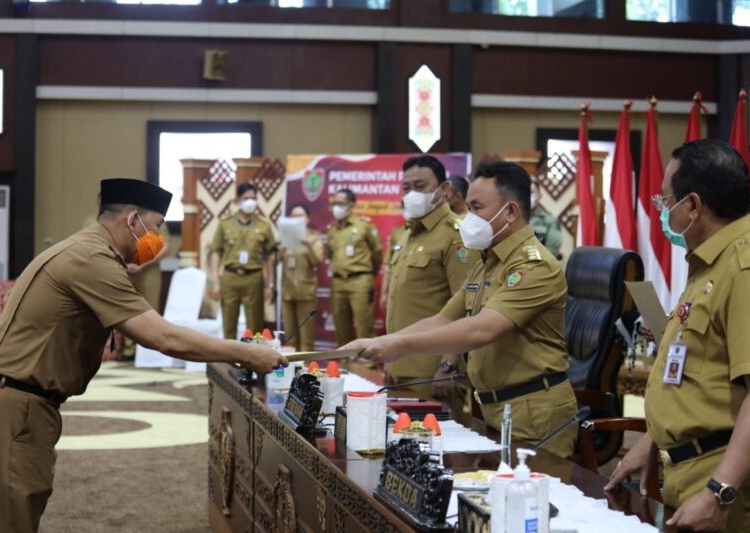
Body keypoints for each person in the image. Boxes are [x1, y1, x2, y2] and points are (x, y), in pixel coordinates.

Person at [0, 178, 287, 532]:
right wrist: (244, 353)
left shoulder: (84, 249)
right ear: (133, 221)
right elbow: (163, 337)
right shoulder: (92, 259)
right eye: (156, 227)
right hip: (18, 408)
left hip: (23, 402)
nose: (158, 239)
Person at [344, 160, 578, 458]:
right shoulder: (488, 262)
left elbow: (481, 329)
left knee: (530, 501)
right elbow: (443, 318)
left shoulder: (534, 266)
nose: (469, 218)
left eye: (477, 208)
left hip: (534, 410)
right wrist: (381, 342)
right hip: (496, 407)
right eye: (467, 207)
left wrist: (399, 345)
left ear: (510, 212)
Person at [606, 139, 750, 532]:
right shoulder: (707, 261)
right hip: (685, 471)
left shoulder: (742, 267)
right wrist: (651, 440)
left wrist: (719, 491)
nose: (662, 211)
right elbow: (697, 374)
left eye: (665, 201)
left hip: (723, 488)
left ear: (694, 205)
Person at [385, 155, 479, 413]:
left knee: (438, 449)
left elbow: (465, 305)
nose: (412, 194)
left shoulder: (456, 235)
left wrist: (448, 364)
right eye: (406, 188)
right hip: (400, 364)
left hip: (432, 371)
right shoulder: (407, 234)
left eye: (420, 186)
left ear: (444, 189)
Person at [208, 182, 276, 340]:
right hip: (230, 277)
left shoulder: (264, 226)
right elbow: (216, 253)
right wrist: (216, 282)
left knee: (255, 324)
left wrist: (269, 285)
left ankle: (253, 360)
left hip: (254, 277)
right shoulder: (225, 224)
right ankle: (228, 360)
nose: (250, 202)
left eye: (253, 198)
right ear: (238, 200)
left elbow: (270, 258)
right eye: (246, 198)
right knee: (229, 322)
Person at [326, 188, 382, 346]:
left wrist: (369, 274)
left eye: (340, 203)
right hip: (338, 282)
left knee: (364, 324)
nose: (336, 207)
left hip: (360, 280)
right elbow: (330, 256)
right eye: (334, 203)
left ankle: (367, 364)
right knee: (340, 325)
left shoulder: (364, 225)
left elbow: (377, 253)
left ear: (350, 205)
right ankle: (346, 362)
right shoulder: (332, 230)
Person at [279, 204, 323, 352]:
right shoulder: (285, 238)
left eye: (300, 216)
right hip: (288, 292)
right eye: (293, 216)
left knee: (306, 337)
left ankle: (305, 372)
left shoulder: (314, 238)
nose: (297, 219)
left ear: (308, 219)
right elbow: (275, 260)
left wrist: (309, 246)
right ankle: (290, 370)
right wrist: (280, 251)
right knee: (290, 336)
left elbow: (317, 261)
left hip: (306, 291)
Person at [529, 180, 562, 259]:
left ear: (539, 195)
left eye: (531, 192)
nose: (527, 196)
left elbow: (552, 253)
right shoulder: (513, 219)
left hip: (540, 265)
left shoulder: (550, 220)